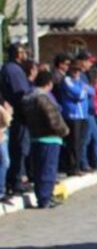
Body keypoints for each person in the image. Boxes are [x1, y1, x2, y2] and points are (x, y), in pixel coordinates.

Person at [22, 71, 69, 208]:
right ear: (49, 83)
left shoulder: (28, 97)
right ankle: (45, 198)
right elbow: (53, 118)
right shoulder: (43, 98)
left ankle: (42, 196)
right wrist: (64, 131)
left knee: (39, 169)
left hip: (35, 137)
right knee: (48, 169)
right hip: (49, 137)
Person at [1, 43, 32, 198]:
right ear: (17, 54)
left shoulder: (15, 69)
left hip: (20, 115)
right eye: (23, 51)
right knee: (19, 149)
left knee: (21, 148)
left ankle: (18, 179)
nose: (25, 54)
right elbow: (20, 94)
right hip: (19, 116)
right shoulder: (12, 69)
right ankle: (16, 181)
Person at [58, 56, 90, 176]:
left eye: (78, 70)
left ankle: (78, 165)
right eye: (74, 70)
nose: (77, 72)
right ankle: (72, 167)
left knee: (81, 142)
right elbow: (79, 95)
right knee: (73, 143)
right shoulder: (67, 80)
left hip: (83, 115)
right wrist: (84, 91)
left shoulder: (80, 81)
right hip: (72, 115)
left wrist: (85, 90)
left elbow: (91, 91)